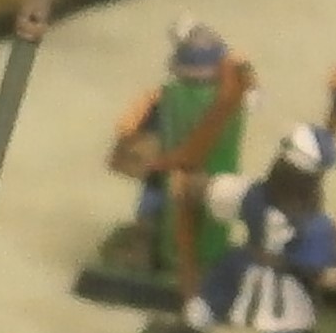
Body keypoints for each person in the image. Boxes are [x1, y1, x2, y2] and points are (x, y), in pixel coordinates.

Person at [186, 121, 336, 333]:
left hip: (241, 262)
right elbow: (316, 270)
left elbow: (221, 192)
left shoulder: (254, 195)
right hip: (282, 281)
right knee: (288, 322)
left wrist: (199, 187)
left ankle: (191, 325)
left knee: (215, 296)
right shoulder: (313, 226)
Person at [109, 20, 255, 283]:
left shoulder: (169, 95)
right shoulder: (233, 100)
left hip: (175, 171)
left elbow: (131, 128)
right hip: (203, 175)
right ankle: (159, 252)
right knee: (176, 210)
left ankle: (154, 253)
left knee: (158, 206)